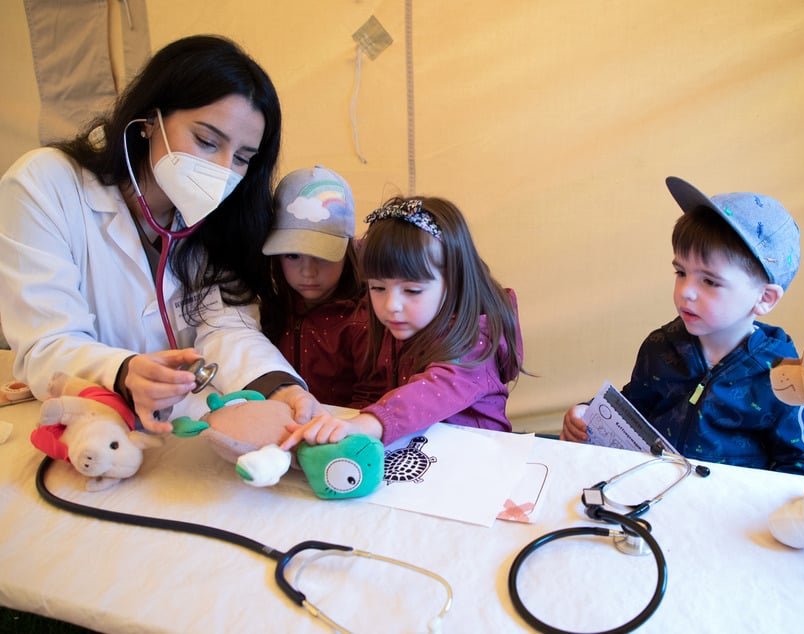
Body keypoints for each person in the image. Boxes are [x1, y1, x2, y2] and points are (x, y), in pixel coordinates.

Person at [0, 35, 319, 433]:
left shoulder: (219, 222)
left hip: (179, 429)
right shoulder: (44, 184)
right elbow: (45, 342)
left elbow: (226, 326)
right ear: (150, 121)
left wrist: (278, 387)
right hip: (84, 425)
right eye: (206, 141)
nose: (222, 170)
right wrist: (122, 371)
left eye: (241, 158)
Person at [561, 176, 804, 475]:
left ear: (764, 298)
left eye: (709, 281)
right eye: (681, 272)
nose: (686, 290)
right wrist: (588, 413)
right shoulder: (660, 347)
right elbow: (634, 409)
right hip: (654, 496)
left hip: (730, 513)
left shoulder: (785, 380)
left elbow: (801, 464)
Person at [280, 196, 525, 449]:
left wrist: (366, 423)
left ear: (455, 281)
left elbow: (431, 392)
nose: (390, 305)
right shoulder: (400, 326)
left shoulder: (475, 340)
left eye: (412, 290)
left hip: (475, 461)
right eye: (377, 287)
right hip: (419, 452)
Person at [260, 165, 382, 407]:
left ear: (347, 251)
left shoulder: (364, 319)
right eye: (292, 256)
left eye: (323, 255)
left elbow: (371, 399)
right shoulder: (269, 306)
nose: (307, 272)